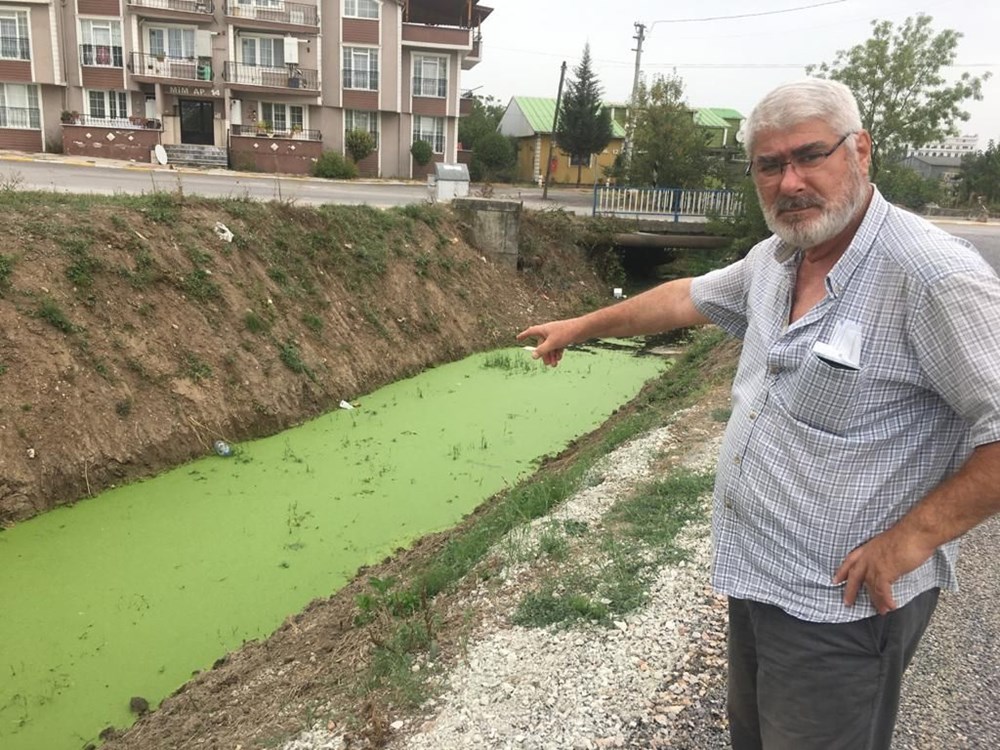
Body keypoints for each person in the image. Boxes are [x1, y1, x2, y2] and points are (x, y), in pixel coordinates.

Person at [517, 78, 1000, 750]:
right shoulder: (777, 259)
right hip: (758, 576)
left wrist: (915, 537)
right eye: (770, 165)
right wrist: (581, 325)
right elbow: (686, 298)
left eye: (809, 156)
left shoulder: (930, 277)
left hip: (843, 610)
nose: (790, 181)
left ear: (859, 152)